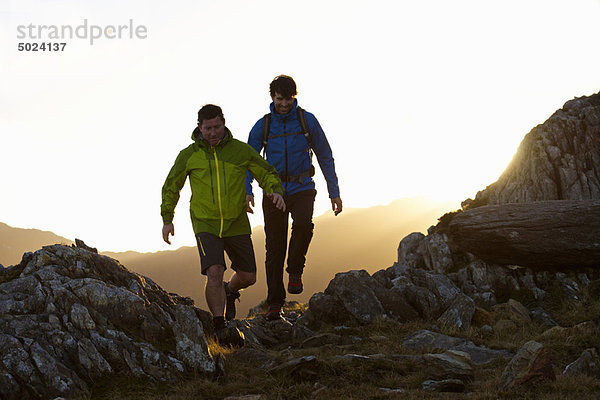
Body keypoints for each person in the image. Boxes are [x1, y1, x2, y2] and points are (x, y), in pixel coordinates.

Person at [161, 104, 285, 343]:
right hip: (205, 223)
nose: (213, 132)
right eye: (208, 128)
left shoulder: (240, 151)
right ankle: (220, 325)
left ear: (224, 123)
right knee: (214, 272)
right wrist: (168, 218)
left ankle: (230, 291)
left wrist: (274, 190)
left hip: (236, 222)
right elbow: (171, 186)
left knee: (248, 276)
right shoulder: (189, 155)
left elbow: (266, 172)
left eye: (217, 127)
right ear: (199, 127)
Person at [246, 75, 342, 320]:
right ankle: (275, 304)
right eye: (280, 99)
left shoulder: (307, 121)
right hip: (273, 192)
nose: (285, 104)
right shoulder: (263, 126)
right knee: (274, 248)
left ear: (294, 97)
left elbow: (325, 155)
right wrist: (247, 190)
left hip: (302, 187)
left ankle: (295, 270)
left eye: (289, 99)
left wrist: (334, 192)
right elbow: (248, 161)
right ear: (272, 98)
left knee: (302, 225)